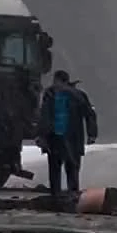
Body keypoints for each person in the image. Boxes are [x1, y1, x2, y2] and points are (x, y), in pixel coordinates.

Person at [36, 70, 98, 201]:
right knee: (63, 167)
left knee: (64, 167)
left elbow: (89, 114)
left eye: (56, 81)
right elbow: (44, 116)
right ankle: (64, 194)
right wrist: (41, 135)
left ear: (60, 81)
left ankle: (64, 194)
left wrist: (92, 133)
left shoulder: (66, 94)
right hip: (63, 137)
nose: (56, 84)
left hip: (63, 137)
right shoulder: (58, 94)